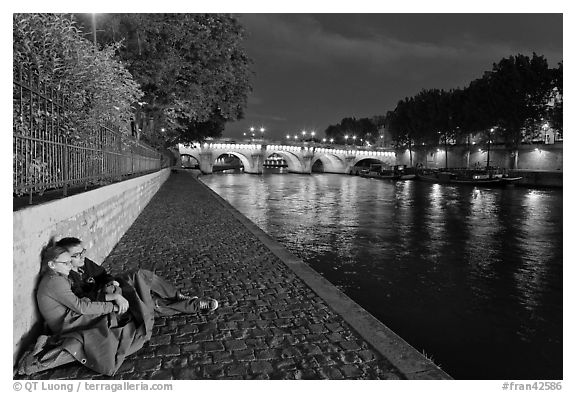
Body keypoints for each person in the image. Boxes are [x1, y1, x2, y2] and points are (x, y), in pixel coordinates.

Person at [17, 241, 217, 376]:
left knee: (140, 284)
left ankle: (179, 299)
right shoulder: (60, 280)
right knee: (144, 310)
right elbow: (82, 304)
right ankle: (191, 305)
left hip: (100, 300)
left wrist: (111, 286)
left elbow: (103, 275)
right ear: (54, 263)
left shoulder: (67, 272)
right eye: (72, 258)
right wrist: (111, 300)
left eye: (78, 255)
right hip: (86, 313)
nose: (77, 260)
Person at [55, 237, 218, 314]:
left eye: (83, 252)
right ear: (66, 258)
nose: (83, 256)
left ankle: (178, 295)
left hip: (113, 288)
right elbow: (84, 299)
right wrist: (112, 296)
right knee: (150, 305)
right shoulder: (66, 278)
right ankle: (195, 305)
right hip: (107, 299)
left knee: (140, 274)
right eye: (77, 255)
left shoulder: (85, 263)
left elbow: (103, 274)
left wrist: (111, 282)